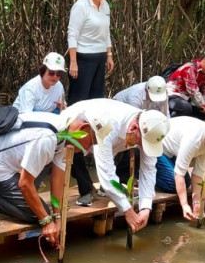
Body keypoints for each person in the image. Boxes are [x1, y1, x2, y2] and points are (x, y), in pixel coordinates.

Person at [0, 112, 103, 244]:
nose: (87, 149)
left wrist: (58, 217)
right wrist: (46, 221)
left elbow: (58, 180)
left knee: (43, 209)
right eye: (91, 143)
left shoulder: (63, 133)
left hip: (9, 164)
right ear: (83, 129)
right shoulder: (48, 138)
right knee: (37, 214)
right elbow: (24, 184)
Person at [63, 99, 170, 233]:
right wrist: (127, 210)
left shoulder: (146, 129)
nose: (142, 147)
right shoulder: (108, 125)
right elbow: (106, 175)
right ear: (133, 128)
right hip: (75, 130)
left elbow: (149, 170)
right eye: (142, 142)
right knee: (64, 162)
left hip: (104, 140)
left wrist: (146, 207)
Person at [67, 0, 118, 105]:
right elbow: (72, 34)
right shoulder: (81, 6)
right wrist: (73, 62)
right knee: (79, 99)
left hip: (100, 57)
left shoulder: (105, 5)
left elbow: (106, 31)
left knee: (95, 99)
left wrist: (109, 55)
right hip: (83, 59)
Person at [166, 48, 205, 120]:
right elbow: (193, 92)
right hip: (172, 96)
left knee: (201, 113)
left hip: (187, 99)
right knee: (186, 108)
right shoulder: (190, 68)